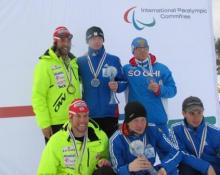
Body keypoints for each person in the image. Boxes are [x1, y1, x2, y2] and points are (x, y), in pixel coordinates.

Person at [113, 37, 176, 135]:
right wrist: (116, 86)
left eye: (145, 48)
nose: (142, 50)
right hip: (135, 122)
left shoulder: (161, 68)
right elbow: (121, 86)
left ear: (148, 49)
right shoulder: (127, 69)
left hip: (158, 121)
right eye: (138, 48)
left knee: (163, 149)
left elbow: (173, 90)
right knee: (138, 150)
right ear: (133, 51)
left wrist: (159, 89)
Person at [37, 99, 115, 175]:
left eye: (85, 116)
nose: (82, 120)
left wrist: (103, 161)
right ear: (70, 117)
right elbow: (44, 172)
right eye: (78, 116)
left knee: (106, 172)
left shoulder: (100, 137)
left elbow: (105, 158)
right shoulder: (56, 141)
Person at [32, 26, 81, 143]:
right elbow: (38, 96)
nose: (66, 44)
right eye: (62, 40)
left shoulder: (73, 62)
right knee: (55, 160)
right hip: (55, 124)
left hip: (75, 121)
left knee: (75, 159)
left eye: (69, 40)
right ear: (55, 41)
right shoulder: (44, 64)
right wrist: (44, 123)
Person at [109, 101, 182, 175]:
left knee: (171, 170)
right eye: (135, 121)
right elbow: (116, 170)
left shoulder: (153, 130)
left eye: (143, 120)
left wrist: (164, 168)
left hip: (150, 172)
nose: (140, 125)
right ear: (128, 122)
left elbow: (176, 151)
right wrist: (129, 168)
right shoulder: (116, 139)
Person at [77, 26, 124, 138]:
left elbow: (124, 82)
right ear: (87, 41)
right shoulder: (80, 62)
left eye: (99, 38)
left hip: (110, 112)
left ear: (103, 40)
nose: (96, 41)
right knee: (93, 150)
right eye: (92, 39)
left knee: (111, 148)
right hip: (88, 113)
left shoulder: (114, 59)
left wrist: (118, 86)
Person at [170, 96, 220, 175]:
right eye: (192, 113)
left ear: (203, 112)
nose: (196, 118)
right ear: (183, 113)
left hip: (213, 170)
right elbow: (180, 154)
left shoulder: (215, 132)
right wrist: (205, 167)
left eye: (199, 113)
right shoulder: (176, 130)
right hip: (190, 169)